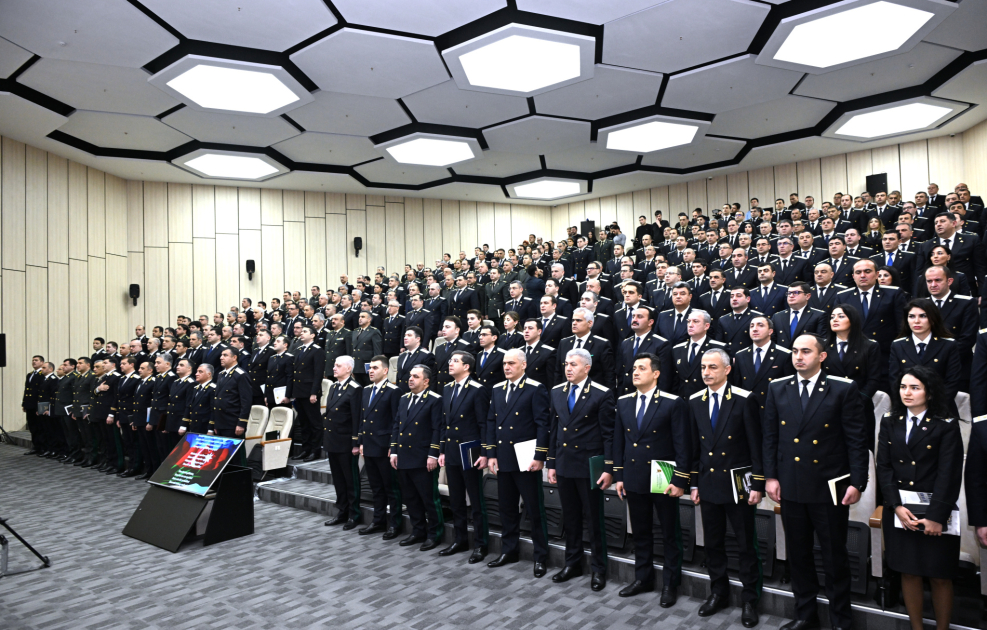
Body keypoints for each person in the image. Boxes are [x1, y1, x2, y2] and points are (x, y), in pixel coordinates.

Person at [763, 334, 869, 630]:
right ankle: (805, 615)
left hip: (829, 487)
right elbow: (770, 436)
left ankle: (840, 619)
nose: (798, 356)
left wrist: (857, 482)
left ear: (822, 356)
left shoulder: (842, 388)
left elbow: (856, 440)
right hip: (792, 484)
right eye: (795, 351)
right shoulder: (777, 387)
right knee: (798, 555)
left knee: (834, 556)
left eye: (806, 351)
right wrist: (770, 476)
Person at [877, 366, 963, 630]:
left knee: (939, 576)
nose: (907, 392)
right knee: (909, 572)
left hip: (936, 510)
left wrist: (936, 517)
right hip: (901, 510)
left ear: (929, 392)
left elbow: (949, 474)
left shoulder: (945, 424)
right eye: (903, 387)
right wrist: (896, 506)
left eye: (915, 387)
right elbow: (884, 467)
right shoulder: (890, 420)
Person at [688, 348, 763, 627]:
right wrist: (694, 483)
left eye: (713, 367)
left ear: (727, 370)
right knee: (713, 543)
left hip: (738, 484)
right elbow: (694, 448)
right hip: (709, 483)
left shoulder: (744, 399)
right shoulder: (695, 400)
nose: (706, 372)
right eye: (703, 367)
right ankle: (718, 592)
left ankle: (750, 599)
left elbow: (756, 445)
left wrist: (757, 483)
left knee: (745, 545)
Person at [613, 353, 691, 605]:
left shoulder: (672, 402)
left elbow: (682, 444)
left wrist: (679, 479)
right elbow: (619, 441)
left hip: (663, 475)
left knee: (669, 533)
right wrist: (619, 475)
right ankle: (643, 578)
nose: (635, 372)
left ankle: (670, 583)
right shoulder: (624, 401)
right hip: (634, 474)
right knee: (641, 532)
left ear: (656, 373)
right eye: (633, 368)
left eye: (642, 368)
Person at [546, 348, 615, 591]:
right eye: (566, 364)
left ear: (587, 368)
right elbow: (554, 430)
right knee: (571, 518)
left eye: (573, 364)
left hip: (588, 466)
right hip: (565, 463)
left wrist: (608, 468)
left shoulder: (601, 394)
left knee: (594, 521)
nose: (568, 368)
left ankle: (598, 569)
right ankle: (572, 563)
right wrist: (551, 463)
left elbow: (609, 435)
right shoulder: (557, 391)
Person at [485, 348, 550, 578]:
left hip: (525, 458)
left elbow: (542, 424)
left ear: (523, 365)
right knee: (507, 508)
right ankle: (509, 550)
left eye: (511, 363)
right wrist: (491, 453)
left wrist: (539, 456)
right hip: (503, 457)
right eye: (504, 363)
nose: (506, 367)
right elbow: (491, 422)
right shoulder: (497, 388)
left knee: (534, 509)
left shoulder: (535, 388)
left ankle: (541, 556)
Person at [437, 351, 491, 563]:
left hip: (470, 451)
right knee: (456, 500)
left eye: (455, 361)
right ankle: (460, 540)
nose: (450, 364)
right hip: (451, 450)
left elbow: (483, 424)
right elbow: (445, 423)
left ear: (467, 366)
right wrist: (442, 450)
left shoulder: (477, 389)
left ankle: (481, 544)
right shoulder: (447, 388)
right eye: (450, 360)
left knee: (476, 502)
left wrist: (485, 453)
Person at [390, 365, 444, 550]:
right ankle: (418, 531)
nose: (410, 379)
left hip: (423, 458)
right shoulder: (404, 398)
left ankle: (435, 534)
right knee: (411, 498)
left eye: (415, 376)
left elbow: (437, 429)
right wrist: (394, 450)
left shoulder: (435, 400)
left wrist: (433, 454)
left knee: (429, 499)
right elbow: (397, 425)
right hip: (404, 456)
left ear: (426, 381)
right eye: (410, 376)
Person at [822, 305, 881, 449]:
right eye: (832, 317)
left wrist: (857, 400)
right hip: (829, 406)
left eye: (841, 316)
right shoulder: (823, 346)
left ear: (852, 320)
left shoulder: (869, 346)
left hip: (859, 406)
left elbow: (873, 380)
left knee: (859, 448)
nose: (835, 320)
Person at [357, 355, 403, 539]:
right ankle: (378, 521)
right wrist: (361, 441)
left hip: (384, 446)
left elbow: (396, 421)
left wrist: (394, 446)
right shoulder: (366, 390)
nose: (371, 371)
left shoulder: (393, 391)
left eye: (375, 368)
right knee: (375, 487)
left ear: (385, 370)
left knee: (391, 488)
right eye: (370, 368)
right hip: (369, 445)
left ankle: (395, 524)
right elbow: (363, 418)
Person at [889, 299, 961, 407]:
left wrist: (932, 407)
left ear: (933, 319)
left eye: (923, 316)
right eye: (911, 316)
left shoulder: (948, 345)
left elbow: (952, 382)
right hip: (908, 408)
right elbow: (895, 381)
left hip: (941, 407)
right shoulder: (898, 345)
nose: (916, 321)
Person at [323, 356, 363, 530]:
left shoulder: (355, 389)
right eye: (334, 365)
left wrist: (356, 442)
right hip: (333, 440)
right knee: (338, 479)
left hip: (346, 441)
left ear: (348, 369)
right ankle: (342, 511)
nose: (334, 368)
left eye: (338, 366)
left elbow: (356, 417)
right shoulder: (333, 386)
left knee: (350, 479)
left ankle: (354, 514)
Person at [286, 325, 326, 462]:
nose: (301, 333)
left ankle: (315, 451)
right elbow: (294, 372)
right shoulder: (298, 350)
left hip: (309, 392)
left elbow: (318, 373)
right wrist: (292, 393)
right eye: (301, 331)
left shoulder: (317, 350)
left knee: (314, 423)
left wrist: (314, 392)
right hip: (299, 391)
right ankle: (306, 449)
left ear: (312, 335)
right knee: (303, 423)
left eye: (305, 331)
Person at [350, 312, 383, 387]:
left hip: (367, 367)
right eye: (359, 317)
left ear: (369, 319)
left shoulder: (374, 331)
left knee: (368, 388)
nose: (360, 319)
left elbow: (377, 351)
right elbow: (352, 350)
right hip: (356, 366)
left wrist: (375, 367)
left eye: (363, 317)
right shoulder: (355, 331)